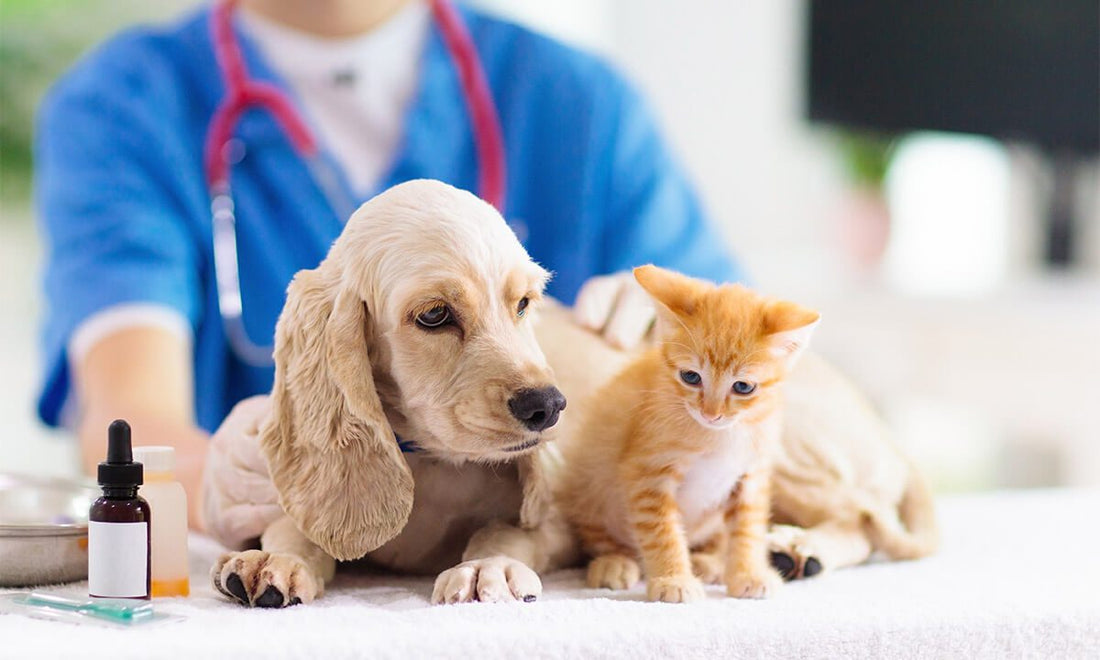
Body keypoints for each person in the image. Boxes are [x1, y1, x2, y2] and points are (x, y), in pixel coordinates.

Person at [35, 0, 742, 533]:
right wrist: (218, 481)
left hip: (529, 546)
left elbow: (752, 364)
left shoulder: (579, 103)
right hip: (291, 561)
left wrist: (682, 337)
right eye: (437, 313)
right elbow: (128, 415)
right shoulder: (123, 105)